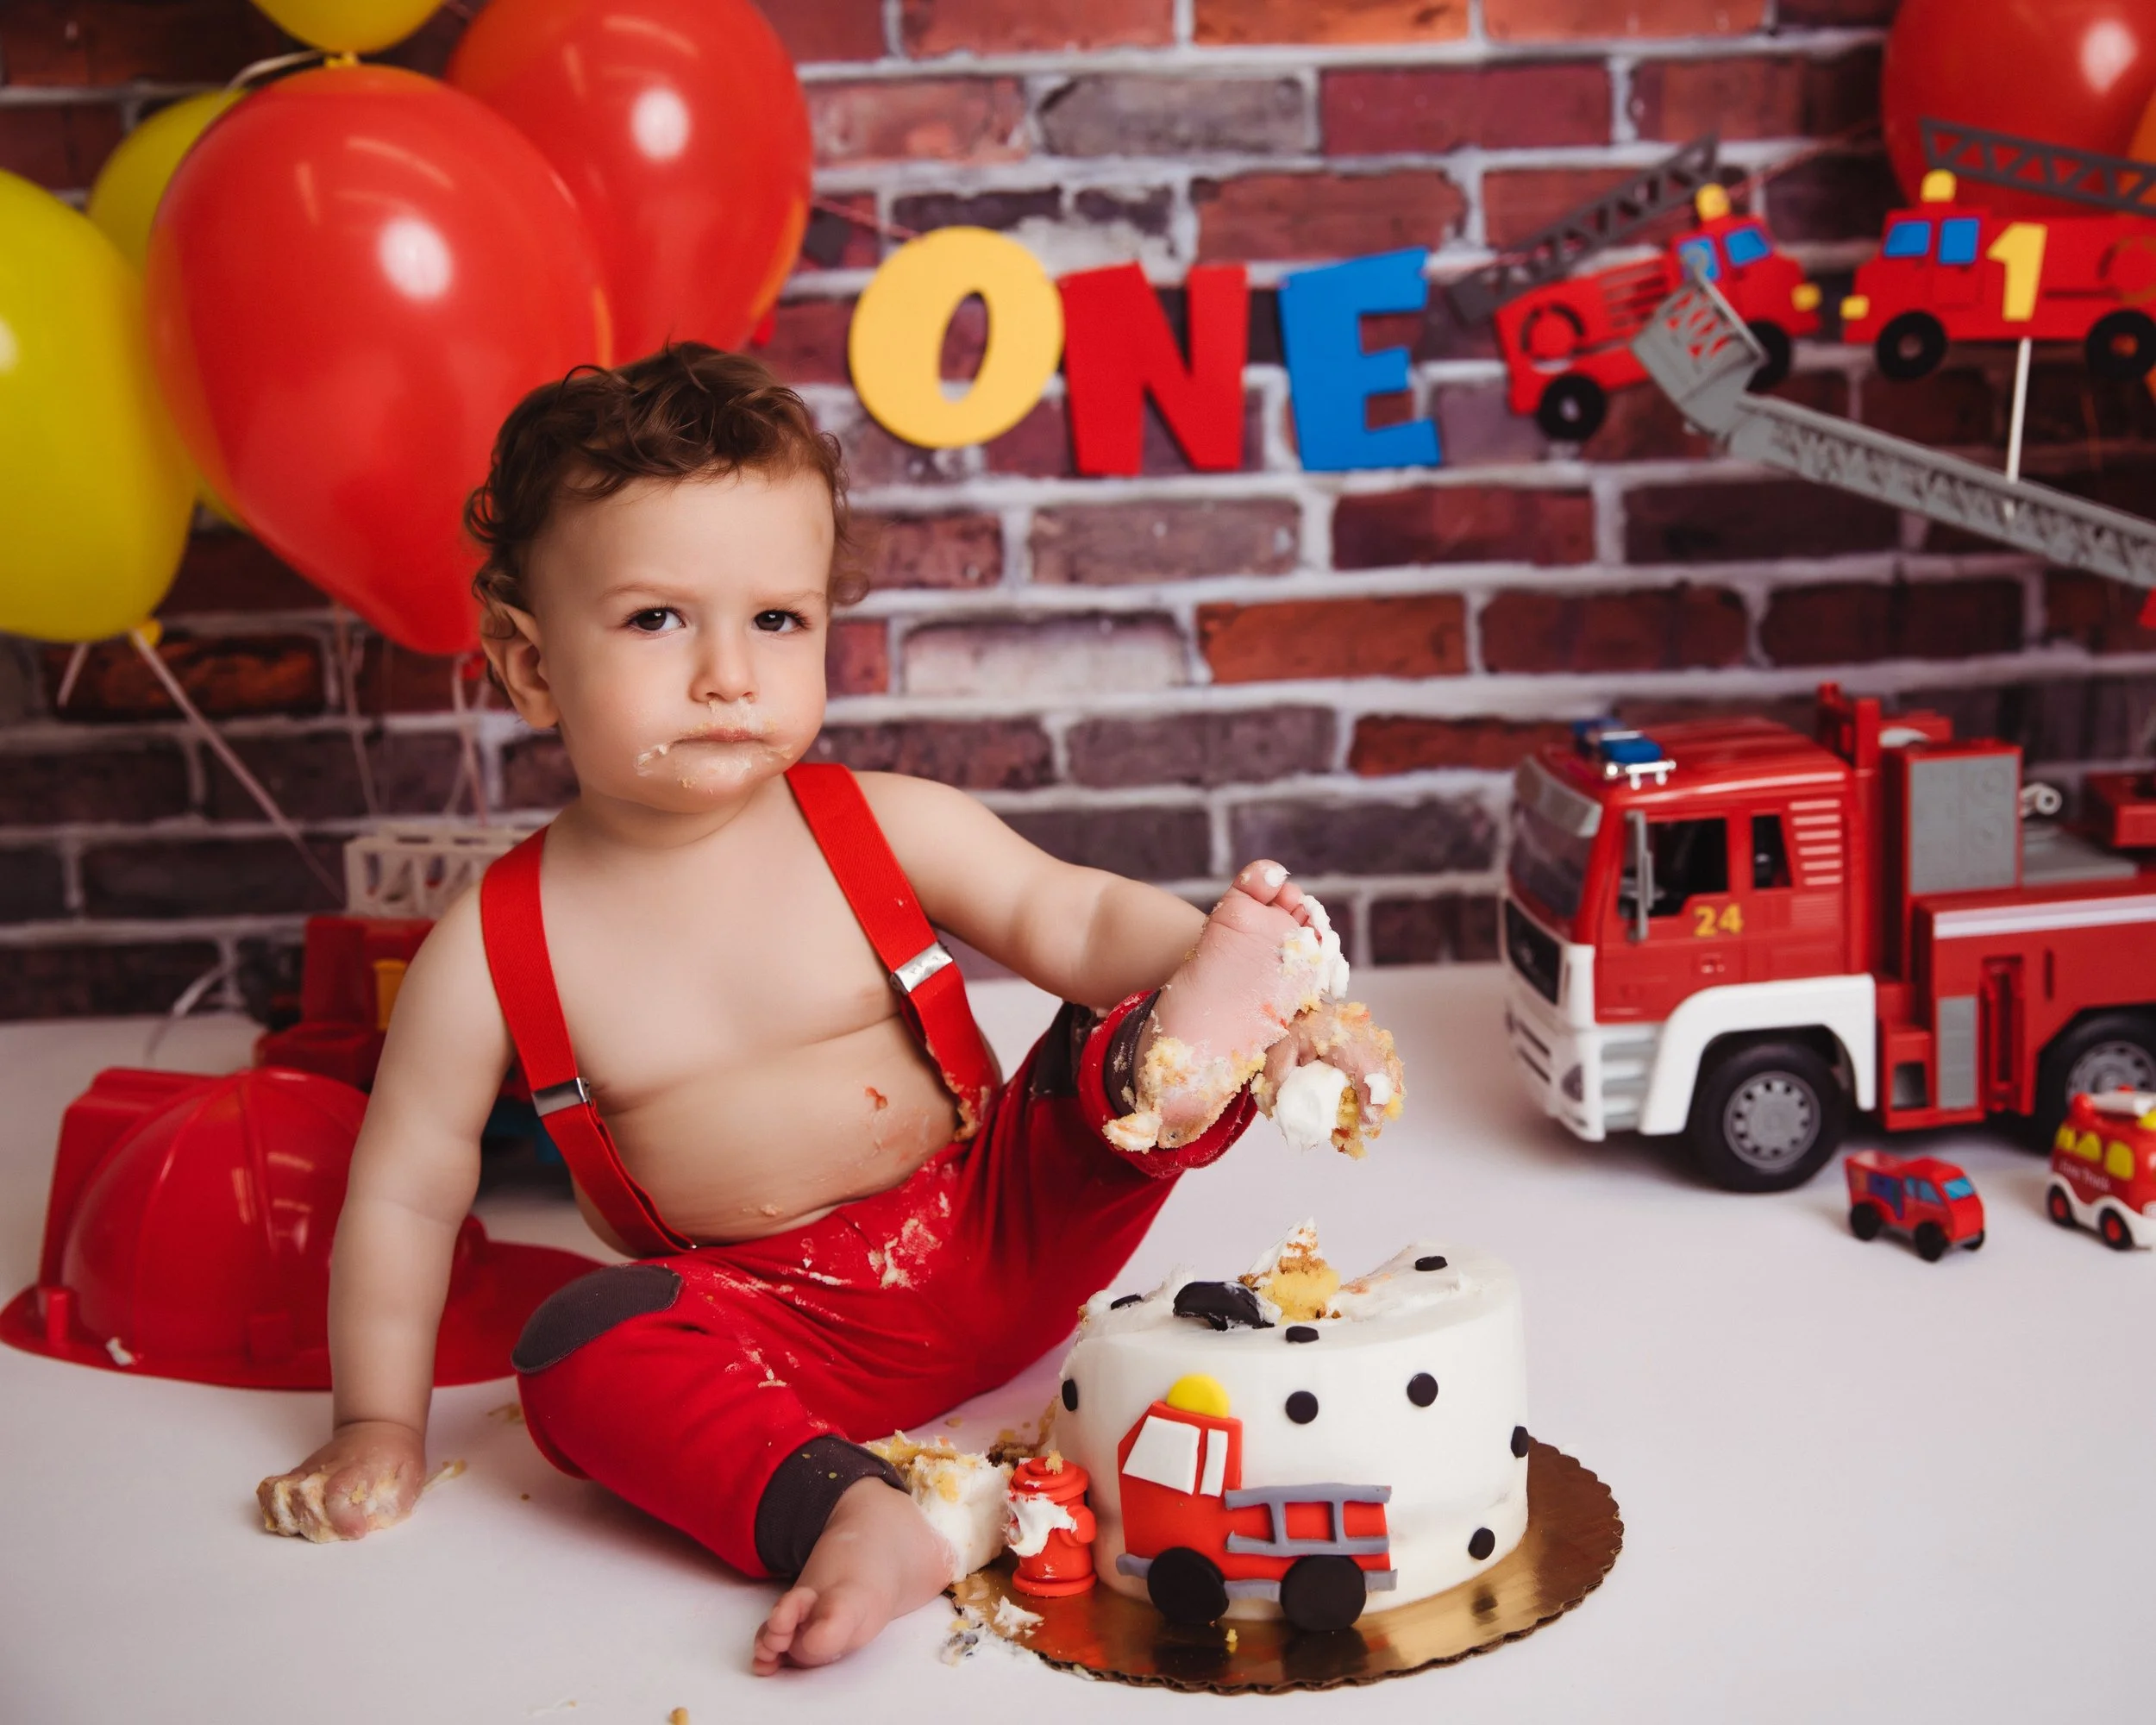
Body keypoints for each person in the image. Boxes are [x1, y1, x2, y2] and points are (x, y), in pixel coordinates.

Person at [254, 344, 1403, 1674]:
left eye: (777, 621)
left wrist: (1216, 963)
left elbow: (1071, 920)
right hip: (778, 1333)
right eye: (655, 620)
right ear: (528, 665)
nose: (729, 675)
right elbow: (402, 1191)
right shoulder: (498, 945)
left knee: (1104, 1042)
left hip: (999, 1221)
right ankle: (851, 1509)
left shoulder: (879, 825)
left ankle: (1217, 1029)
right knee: (575, 1347)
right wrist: (378, 1425)